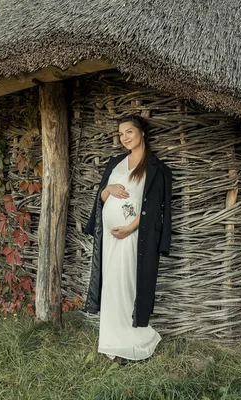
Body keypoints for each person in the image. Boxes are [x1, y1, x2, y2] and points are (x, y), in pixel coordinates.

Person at [83, 115, 172, 364]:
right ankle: (112, 342)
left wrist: (131, 228)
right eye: (121, 134)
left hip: (135, 238)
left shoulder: (156, 169)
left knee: (127, 287)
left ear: (142, 133)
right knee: (111, 286)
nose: (124, 138)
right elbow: (101, 201)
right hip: (111, 239)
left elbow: (156, 210)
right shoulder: (115, 163)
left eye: (129, 132)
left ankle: (134, 342)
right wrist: (106, 191)